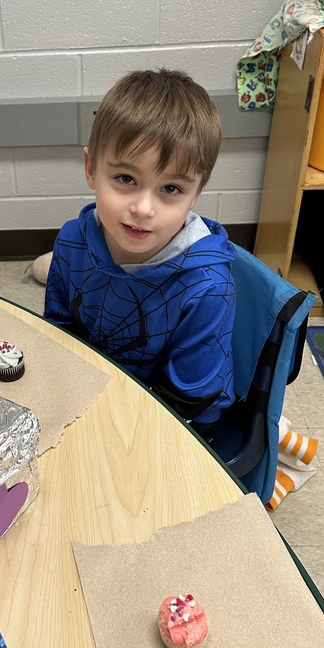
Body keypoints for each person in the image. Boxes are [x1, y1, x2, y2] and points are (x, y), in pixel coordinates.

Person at [43, 68, 236, 432]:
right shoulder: (72, 239)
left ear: (196, 194)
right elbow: (60, 332)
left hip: (178, 421)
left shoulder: (209, 287)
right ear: (90, 168)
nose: (144, 209)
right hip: (95, 395)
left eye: (171, 189)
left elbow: (191, 401)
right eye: (126, 179)